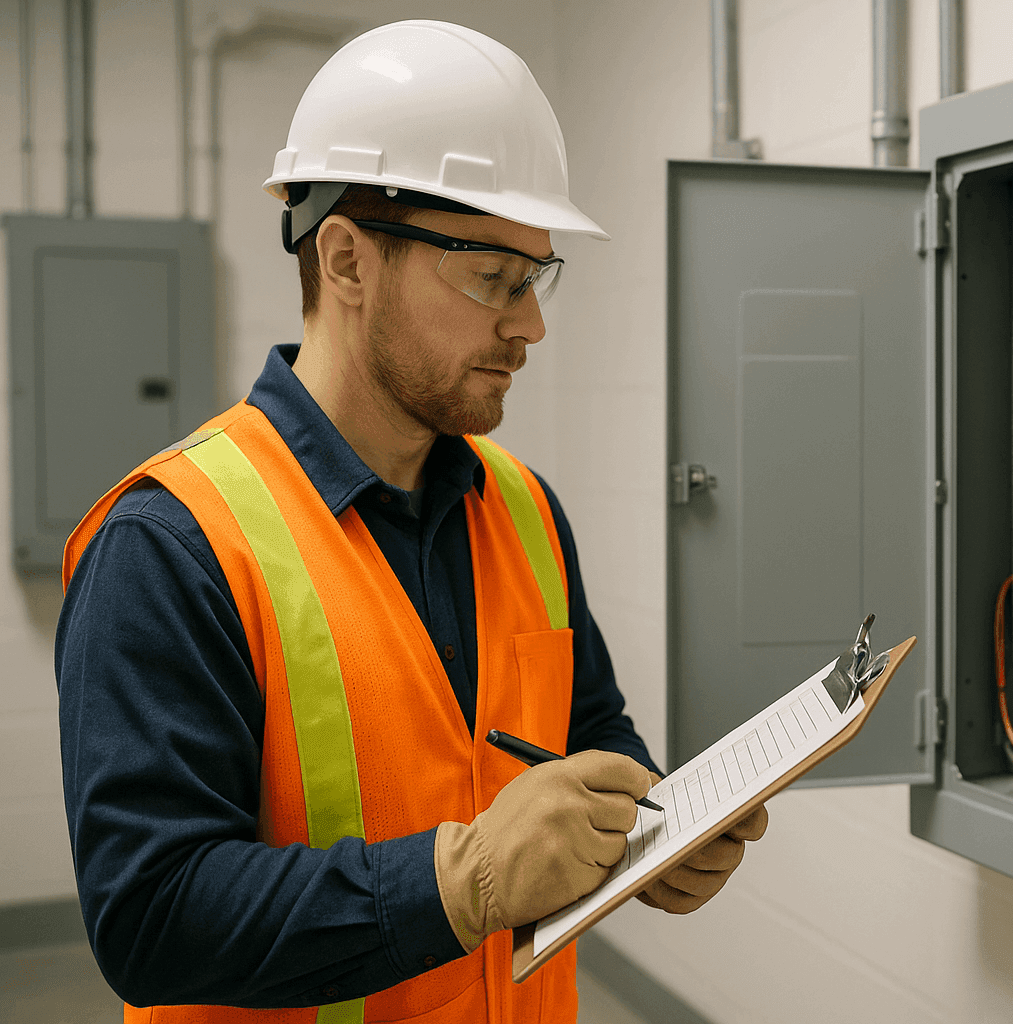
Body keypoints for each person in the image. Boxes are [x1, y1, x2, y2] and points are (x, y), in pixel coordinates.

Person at [55, 20, 767, 1024]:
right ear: (345, 260)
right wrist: (462, 880)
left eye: (536, 278)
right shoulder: (173, 543)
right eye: (493, 279)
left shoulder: (522, 507)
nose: (530, 326)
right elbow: (150, 918)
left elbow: (586, 731)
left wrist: (655, 826)